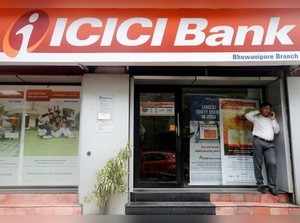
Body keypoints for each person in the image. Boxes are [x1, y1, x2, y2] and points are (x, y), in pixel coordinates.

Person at [245, 102, 280, 195]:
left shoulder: (271, 119)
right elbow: (247, 115)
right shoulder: (256, 118)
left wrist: (273, 119)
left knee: (272, 163)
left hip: (270, 144)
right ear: (261, 109)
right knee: (258, 163)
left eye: (268, 109)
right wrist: (258, 111)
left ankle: (272, 186)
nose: (267, 110)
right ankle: (260, 185)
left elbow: (277, 130)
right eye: (265, 108)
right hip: (258, 142)